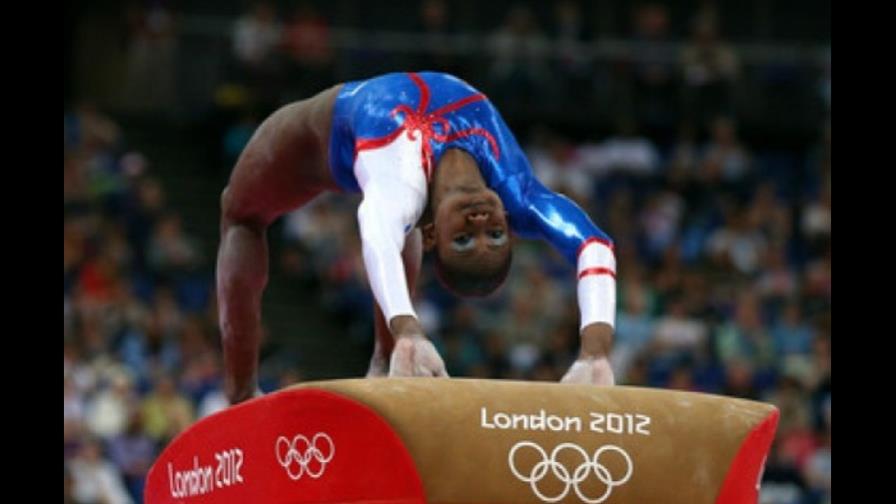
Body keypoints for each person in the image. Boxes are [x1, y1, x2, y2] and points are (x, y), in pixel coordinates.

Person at [217, 72, 616, 404]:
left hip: (321, 151)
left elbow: (374, 227)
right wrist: (596, 349)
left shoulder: (401, 179)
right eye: (495, 234)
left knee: (245, 216)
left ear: (432, 236)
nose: (479, 223)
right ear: (510, 224)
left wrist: (408, 329)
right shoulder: (518, 194)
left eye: (463, 239)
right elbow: (594, 245)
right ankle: (244, 392)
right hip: (332, 138)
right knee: (241, 216)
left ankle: (380, 359)